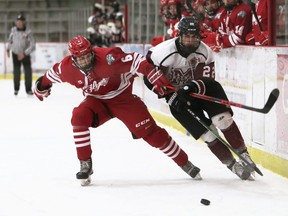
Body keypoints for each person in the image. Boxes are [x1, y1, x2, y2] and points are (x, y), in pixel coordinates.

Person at [33, 35, 201, 186]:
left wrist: (151, 73)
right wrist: (40, 87)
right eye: (80, 58)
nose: (85, 61)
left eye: (87, 56)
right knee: (78, 117)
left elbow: (136, 60)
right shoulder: (66, 68)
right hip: (97, 101)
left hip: (123, 99)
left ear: (92, 52)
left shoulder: (108, 58)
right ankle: (85, 163)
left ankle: (184, 162)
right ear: (73, 59)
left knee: (152, 135)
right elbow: (50, 76)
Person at [145, 17, 256, 180]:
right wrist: (168, 96)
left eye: (194, 36)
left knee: (223, 120)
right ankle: (232, 165)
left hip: (201, 90)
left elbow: (207, 81)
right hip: (178, 97)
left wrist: (190, 86)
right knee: (209, 134)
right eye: (187, 36)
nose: (191, 40)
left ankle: (244, 155)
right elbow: (149, 77)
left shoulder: (205, 52)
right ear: (179, 35)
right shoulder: (162, 53)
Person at [6, 14, 35, 96]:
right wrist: (8, 49)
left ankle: (28, 89)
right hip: (15, 54)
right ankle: (16, 89)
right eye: (17, 21)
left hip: (25, 55)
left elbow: (32, 45)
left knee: (28, 72)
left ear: (23, 22)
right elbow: (10, 40)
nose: (18, 23)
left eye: (20, 21)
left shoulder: (28, 32)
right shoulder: (13, 30)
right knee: (16, 72)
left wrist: (25, 53)